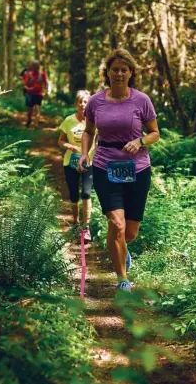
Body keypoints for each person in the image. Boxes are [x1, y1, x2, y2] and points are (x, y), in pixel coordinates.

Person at [78, 48, 160, 293]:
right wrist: (84, 153)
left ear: (131, 73)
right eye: (115, 69)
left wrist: (140, 141)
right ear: (107, 73)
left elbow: (155, 133)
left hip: (137, 168)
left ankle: (121, 250)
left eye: (124, 69)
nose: (119, 73)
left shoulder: (141, 100)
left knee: (130, 231)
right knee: (117, 223)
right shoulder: (95, 101)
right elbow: (88, 131)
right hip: (105, 165)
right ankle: (123, 279)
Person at [58, 90, 95, 241]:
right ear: (76, 104)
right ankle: (76, 222)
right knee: (74, 194)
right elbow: (60, 140)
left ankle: (86, 227)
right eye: (80, 101)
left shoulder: (94, 120)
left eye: (86, 102)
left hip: (89, 162)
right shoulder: (68, 120)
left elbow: (100, 140)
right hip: (71, 162)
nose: (83, 104)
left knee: (86, 193)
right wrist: (69, 146)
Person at [22, 60, 48, 128]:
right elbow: (24, 85)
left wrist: (46, 91)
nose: (36, 67)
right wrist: (28, 89)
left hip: (38, 94)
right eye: (35, 66)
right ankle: (29, 120)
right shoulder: (28, 74)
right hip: (29, 94)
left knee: (37, 109)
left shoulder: (42, 74)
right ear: (32, 66)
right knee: (29, 110)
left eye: (37, 66)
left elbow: (46, 83)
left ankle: (36, 124)